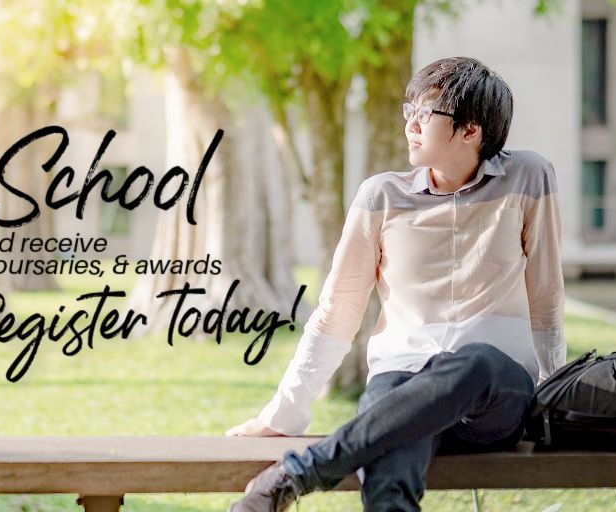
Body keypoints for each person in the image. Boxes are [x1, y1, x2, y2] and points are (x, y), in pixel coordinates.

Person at [226, 57, 566, 512]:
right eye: (409, 110)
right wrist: (285, 412)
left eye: (425, 114)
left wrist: (556, 400)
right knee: (387, 485)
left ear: (471, 130)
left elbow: (546, 297)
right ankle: (294, 477)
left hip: (493, 393)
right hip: (402, 384)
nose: (410, 123)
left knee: (478, 362)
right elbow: (337, 312)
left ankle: (298, 473)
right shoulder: (381, 196)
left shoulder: (528, 176)